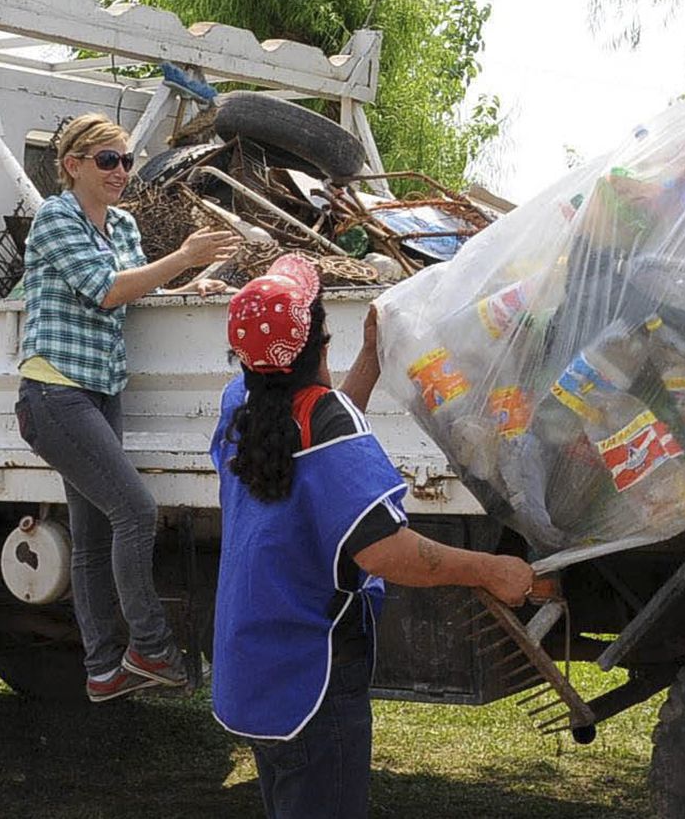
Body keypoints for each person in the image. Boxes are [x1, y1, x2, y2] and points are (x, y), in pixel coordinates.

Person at [208, 255, 541, 819]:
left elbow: (319, 443)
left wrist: (370, 358)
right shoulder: (324, 421)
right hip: (315, 677)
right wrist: (493, 569)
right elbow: (388, 552)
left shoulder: (241, 408)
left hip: (258, 669)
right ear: (319, 342)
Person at [14, 113, 240, 702]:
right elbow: (105, 288)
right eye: (108, 160)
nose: (121, 172)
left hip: (99, 390)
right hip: (55, 391)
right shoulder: (54, 219)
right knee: (136, 512)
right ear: (73, 166)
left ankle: (103, 669)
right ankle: (152, 648)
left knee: (90, 538)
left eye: (126, 161)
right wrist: (185, 257)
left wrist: (186, 290)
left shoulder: (122, 225)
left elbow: (134, 291)